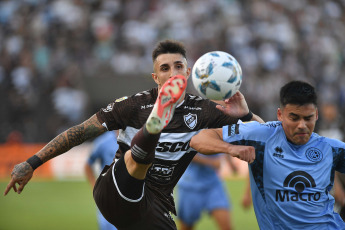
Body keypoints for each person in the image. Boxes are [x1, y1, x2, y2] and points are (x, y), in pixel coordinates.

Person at [4, 40, 261, 230]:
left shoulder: (205, 110)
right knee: (137, 161)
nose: (172, 72)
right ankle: (153, 127)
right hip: (115, 189)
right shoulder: (132, 105)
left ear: (187, 72)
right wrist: (31, 162)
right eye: (165, 68)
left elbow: (262, 134)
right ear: (156, 77)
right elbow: (78, 133)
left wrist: (246, 114)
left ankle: (153, 128)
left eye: (178, 66)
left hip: (154, 206)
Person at [190, 80, 345, 229]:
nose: (302, 125)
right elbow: (199, 139)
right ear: (280, 114)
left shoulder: (330, 148)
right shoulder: (260, 137)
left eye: (308, 118)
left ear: (316, 115)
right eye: (294, 118)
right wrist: (231, 148)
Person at [177, 153, 238, 230]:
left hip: (213, 184)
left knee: (226, 227)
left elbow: (225, 145)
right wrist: (211, 162)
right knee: (187, 227)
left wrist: (231, 164)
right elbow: (187, 153)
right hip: (190, 186)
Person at [84, 131, 119, 230]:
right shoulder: (103, 141)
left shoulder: (134, 139)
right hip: (106, 196)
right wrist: (94, 187)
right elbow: (88, 165)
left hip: (128, 196)